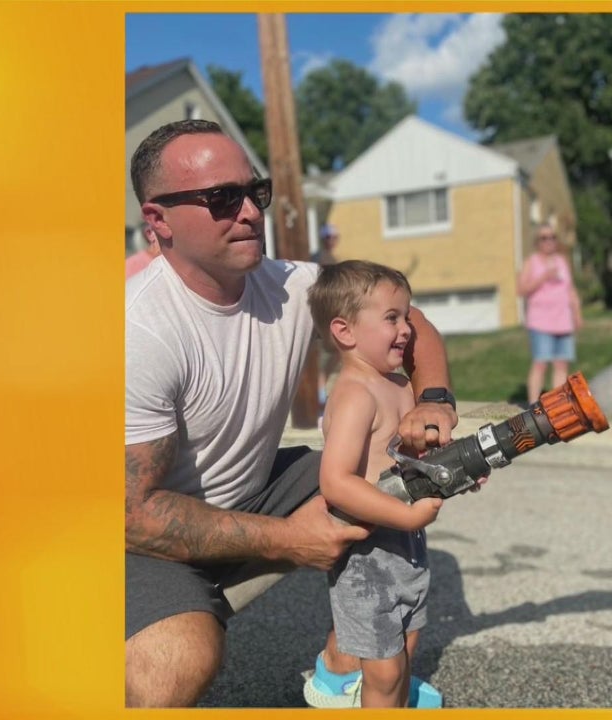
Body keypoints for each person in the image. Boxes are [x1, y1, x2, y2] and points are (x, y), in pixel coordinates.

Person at [124, 119, 460, 708]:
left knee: (399, 475)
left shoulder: (291, 286)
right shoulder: (140, 331)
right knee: (173, 666)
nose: (250, 212)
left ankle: (343, 672)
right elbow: (132, 515)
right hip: (136, 541)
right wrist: (290, 539)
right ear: (159, 220)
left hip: (252, 491)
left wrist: (432, 400)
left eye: (255, 191)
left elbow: (409, 320)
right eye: (221, 198)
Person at [305, 259, 447, 708]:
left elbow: (409, 458)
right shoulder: (355, 394)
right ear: (345, 332)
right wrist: (407, 516)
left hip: (406, 546)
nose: (406, 329)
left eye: (406, 316)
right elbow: (336, 482)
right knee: (383, 669)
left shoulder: (401, 386)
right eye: (392, 318)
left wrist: (451, 471)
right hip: (367, 558)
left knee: (406, 644)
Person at [516, 224, 583, 405]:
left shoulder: (562, 261)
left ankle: (557, 405)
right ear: (537, 242)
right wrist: (543, 277)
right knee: (541, 363)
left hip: (563, 320)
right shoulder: (531, 262)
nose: (549, 241)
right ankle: (533, 405)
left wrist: (577, 313)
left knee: (561, 363)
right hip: (540, 321)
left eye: (553, 237)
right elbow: (521, 289)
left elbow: (570, 289)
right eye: (544, 238)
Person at [311, 224, 342, 409]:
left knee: (336, 350)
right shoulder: (319, 258)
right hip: (321, 312)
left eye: (334, 237)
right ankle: (319, 390)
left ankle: (321, 387)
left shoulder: (331, 258)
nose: (331, 241)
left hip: (330, 310)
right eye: (328, 237)